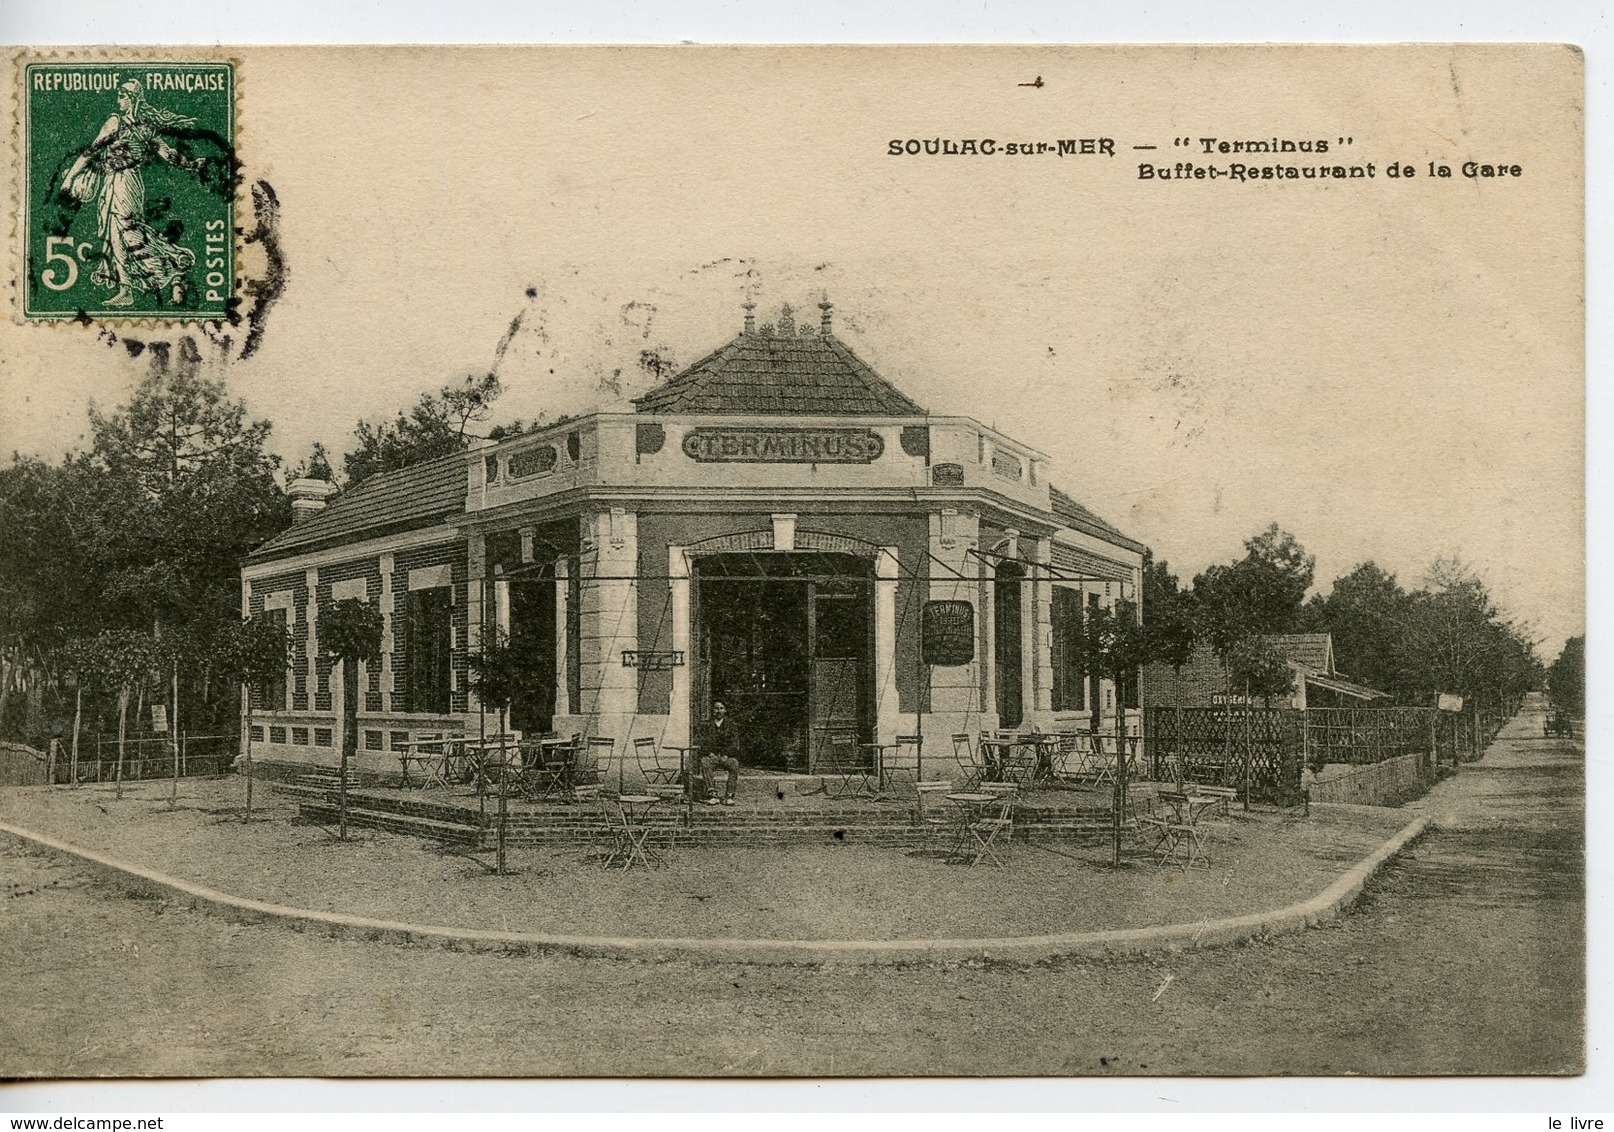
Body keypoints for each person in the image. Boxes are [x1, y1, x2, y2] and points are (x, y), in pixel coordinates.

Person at [59, 79, 206, 308]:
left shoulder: (131, 125)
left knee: (123, 235)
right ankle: (171, 269)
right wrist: (70, 178)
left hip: (125, 183)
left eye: (123, 95)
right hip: (116, 182)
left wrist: (190, 164)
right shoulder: (127, 124)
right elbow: (92, 151)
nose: (119, 99)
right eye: (119, 94)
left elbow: (166, 153)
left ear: (133, 98)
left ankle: (141, 284)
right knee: (128, 235)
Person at [699, 701, 741, 806]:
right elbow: (701, 741)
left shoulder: (731, 725)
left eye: (721, 708)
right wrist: (710, 753)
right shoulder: (706, 725)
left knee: (734, 764)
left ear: (725, 710)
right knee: (705, 762)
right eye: (716, 708)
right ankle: (712, 793)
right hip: (712, 756)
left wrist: (726, 754)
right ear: (713, 711)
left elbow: (734, 742)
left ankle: (729, 795)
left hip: (726, 757)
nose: (719, 711)